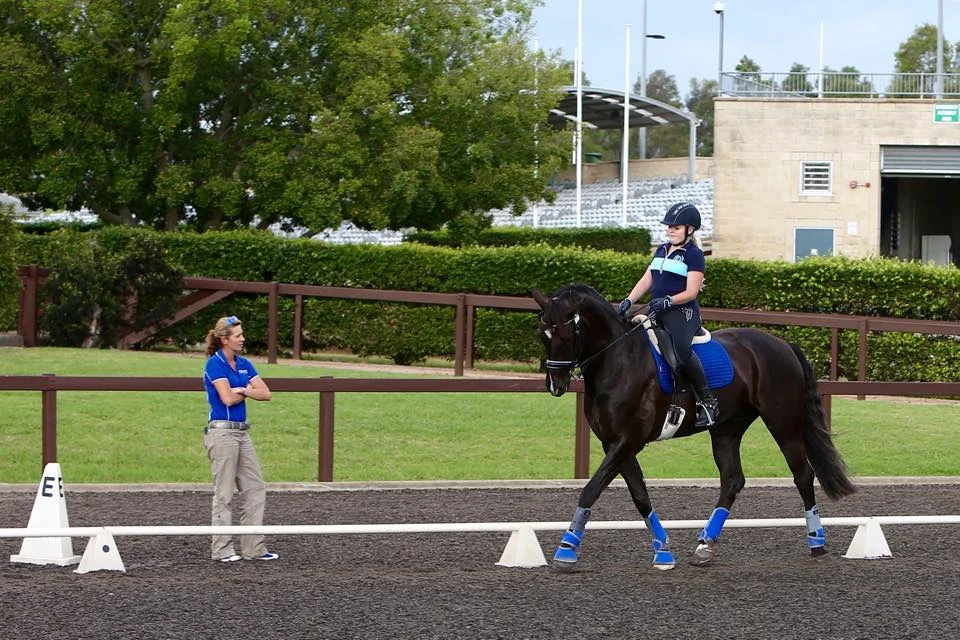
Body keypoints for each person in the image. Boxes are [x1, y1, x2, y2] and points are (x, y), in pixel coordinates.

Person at [617, 202, 719, 427]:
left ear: (689, 230)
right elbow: (647, 279)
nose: (670, 230)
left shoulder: (694, 255)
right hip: (658, 309)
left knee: (682, 349)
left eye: (676, 227)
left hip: (683, 312)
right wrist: (628, 300)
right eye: (669, 226)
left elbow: (691, 292)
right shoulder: (661, 249)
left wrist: (668, 300)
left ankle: (708, 401)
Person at [202, 315, 278, 562]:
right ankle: (222, 550)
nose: (243, 339)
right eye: (238, 335)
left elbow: (266, 394)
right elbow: (226, 398)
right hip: (221, 433)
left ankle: (254, 548)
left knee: (255, 489)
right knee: (223, 493)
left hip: (242, 432)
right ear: (224, 339)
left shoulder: (245, 364)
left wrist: (244, 390)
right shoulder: (215, 365)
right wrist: (247, 392)